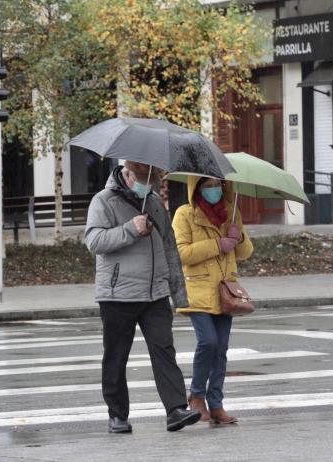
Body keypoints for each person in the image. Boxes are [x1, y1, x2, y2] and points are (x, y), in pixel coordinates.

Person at [85, 160, 201, 434]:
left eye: (153, 181)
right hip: (117, 295)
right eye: (143, 180)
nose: (149, 186)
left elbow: (170, 248)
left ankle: (175, 410)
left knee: (164, 350)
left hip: (155, 294)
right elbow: (95, 242)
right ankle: (117, 415)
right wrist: (131, 229)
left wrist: (178, 294)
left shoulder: (154, 202)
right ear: (127, 174)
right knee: (116, 356)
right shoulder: (103, 201)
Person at [172, 176, 254, 425]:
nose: (214, 191)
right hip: (196, 289)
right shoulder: (185, 214)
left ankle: (216, 403)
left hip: (225, 291)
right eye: (207, 187)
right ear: (196, 189)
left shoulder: (231, 212)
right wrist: (217, 244)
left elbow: (245, 252)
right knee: (207, 342)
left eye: (218, 186)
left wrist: (237, 238)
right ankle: (196, 396)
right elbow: (181, 253)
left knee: (221, 349)